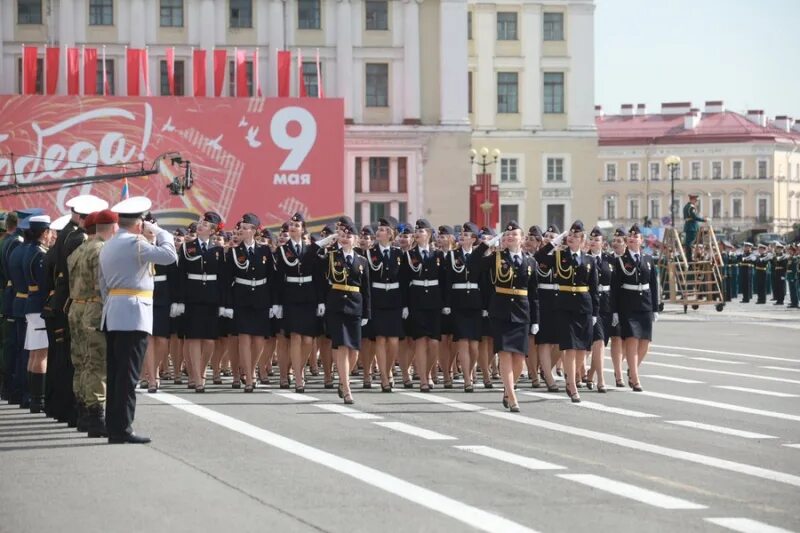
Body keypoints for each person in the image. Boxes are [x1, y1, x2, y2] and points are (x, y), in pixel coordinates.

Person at [99, 196, 177, 444]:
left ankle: (114, 426)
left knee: (116, 373)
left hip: (113, 312)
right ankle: (123, 428)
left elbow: (102, 284)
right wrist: (161, 231)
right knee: (129, 375)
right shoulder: (135, 243)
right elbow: (169, 256)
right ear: (139, 223)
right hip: (133, 314)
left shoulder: (109, 243)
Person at [44, 194, 108, 425]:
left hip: (68, 303)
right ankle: (80, 411)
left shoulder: (69, 236)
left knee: (74, 361)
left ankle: (70, 409)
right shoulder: (80, 240)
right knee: (86, 361)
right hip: (81, 304)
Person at [535, 221, 599, 403]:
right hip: (564, 306)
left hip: (584, 307)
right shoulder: (558, 256)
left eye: (575, 236)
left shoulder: (589, 260)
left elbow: (594, 289)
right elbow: (539, 257)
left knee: (582, 348)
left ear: (582, 240)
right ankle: (571, 383)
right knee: (570, 347)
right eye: (569, 235)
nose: (571, 238)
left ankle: (573, 377)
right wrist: (555, 241)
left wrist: (595, 313)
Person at [68, 210, 117, 436]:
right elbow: (102, 285)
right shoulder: (100, 250)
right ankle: (95, 416)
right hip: (93, 308)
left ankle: (83, 413)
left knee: (81, 362)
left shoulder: (79, 250)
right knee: (96, 363)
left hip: (76, 308)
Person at [274, 213, 335, 393]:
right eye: (291, 225)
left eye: (297, 225)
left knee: (308, 339)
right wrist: (277, 304)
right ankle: (298, 378)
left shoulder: (310, 249)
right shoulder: (283, 250)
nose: (293, 227)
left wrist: (321, 301)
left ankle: (298, 368)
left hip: (309, 297)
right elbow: (278, 279)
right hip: (291, 296)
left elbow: (318, 277)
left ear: (303, 230)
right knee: (294, 337)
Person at [481, 221, 538, 412]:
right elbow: (474, 265)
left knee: (520, 357)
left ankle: (507, 389)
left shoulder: (530, 261)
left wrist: (536, 319)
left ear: (522, 239)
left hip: (522, 311)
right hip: (501, 311)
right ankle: (512, 396)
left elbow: (534, 293)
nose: (511, 237)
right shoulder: (496, 258)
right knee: (505, 354)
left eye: (515, 235)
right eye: (507, 235)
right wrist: (485, 245)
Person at [176, 212, 227, 392]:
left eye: (205, 224)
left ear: (213, 230)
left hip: (212, 297)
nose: (200, 226)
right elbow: (181, 275)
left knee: (210, 340)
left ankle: (201, 370)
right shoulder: (187, 247)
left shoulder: (219, 250)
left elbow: (223, 279)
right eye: (200, 223)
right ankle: (196, 377)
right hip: (192, 297)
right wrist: (180, 300)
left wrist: (223, 303)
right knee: (194, 337)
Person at [226, 213, 277, 393]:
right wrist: (228, 305)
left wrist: (274, 303)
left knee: (259, 340)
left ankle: (251, 368)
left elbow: (272, 278)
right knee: (245, 339)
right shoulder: (233, 251)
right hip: (241, 297)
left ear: (255, 231)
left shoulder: (264, 251)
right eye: (242, 228)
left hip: (261, 297)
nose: (244, 231)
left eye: (248, 228)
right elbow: (227, 279)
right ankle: (248, 376)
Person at [322, 221, 370, 404]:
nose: (344, 238)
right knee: (341, 346)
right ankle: (347, 388)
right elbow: (314, 257)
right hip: (337, 306)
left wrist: (367, 313)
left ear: (355, 239)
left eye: (348, 236)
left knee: (354, 351)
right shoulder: (331, 256)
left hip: (355, 306)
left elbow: (366, 290)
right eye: (342, 235)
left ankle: (343, 381)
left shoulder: (362, 261)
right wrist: (327, 241)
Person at [610, 224, 659, 393]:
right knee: (632, 340)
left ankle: (633, 368)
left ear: (641, 240)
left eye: (635, 237)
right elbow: (615, 287)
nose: (632, 239)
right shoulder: (621, 261)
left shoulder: (648, 259)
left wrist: (655, 307)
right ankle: (636, 378)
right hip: (628, 305)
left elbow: (653, 284)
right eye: (630, 237)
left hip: (645, 303)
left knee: (645, 342)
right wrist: (615, 311)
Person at [401, 219, 447, 392]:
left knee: (434, 342)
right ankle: (422, 379)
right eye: (416, 232)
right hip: (417, 301)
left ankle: (428, 373)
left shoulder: (438, 255)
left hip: (434, 301)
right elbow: (405, 281)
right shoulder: (409, 255)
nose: (417, 234)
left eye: (421, 232)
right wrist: (405, 305)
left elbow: (444, 281)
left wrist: (445, 303)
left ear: (428, 234)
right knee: (420, 341)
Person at [443, 222, 484, 392]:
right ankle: (467, 379)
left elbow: (485, 282)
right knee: (462, 343)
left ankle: (471, 370)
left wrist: (486, 305)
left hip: (475, 303)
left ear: (474, 239)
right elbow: (446, 281)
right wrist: (446, 304)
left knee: (474, 346)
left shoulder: (480, 256)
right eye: (462, 234)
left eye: (467, 235)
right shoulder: (452, 256)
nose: (463, 237)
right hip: (458, 303)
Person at [366, 217, 405, 392]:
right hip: (378, 298)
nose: (378, 232)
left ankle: (388, 370)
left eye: (382, 230)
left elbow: (404, 281)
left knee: (394, 341)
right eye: (378, 229)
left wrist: (405, 304)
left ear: (390, 233)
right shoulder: (369, 253)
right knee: (380, 339)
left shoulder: (399, 254)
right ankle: (383, 376)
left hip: (395, 299)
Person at [22, 215, 54, 413]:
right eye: (49, 232)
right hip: (39, 305)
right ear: (44, 232)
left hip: (30, 304)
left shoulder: (28, 251)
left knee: (34, 353)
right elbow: (44, 284)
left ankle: (34, 397)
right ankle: (38, 399)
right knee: (41, 353)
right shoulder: (41, 255)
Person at [682, 194, 707, 263]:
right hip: (692, 227)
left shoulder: (686, 206)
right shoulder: (691, 207)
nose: (696, 201)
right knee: (690, 244)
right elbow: (694, 217)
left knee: (688, 243)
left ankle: (689, 258)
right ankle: (689, 258)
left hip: (688, 226)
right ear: (692, 199)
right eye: (695, 200)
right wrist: (703, 220)